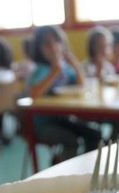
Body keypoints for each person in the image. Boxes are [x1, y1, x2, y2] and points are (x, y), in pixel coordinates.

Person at [28, 25, 102, 161]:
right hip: (43, 124)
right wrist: (55, 71)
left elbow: (81, 85)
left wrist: (76, 65)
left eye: (56, 41)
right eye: (47, 44)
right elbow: (34, 95)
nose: (53, 47)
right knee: (70, 140)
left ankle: (86, 167)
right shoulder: (40, 70)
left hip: (64, 119)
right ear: (39, 48)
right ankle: (62, 172)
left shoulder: (66, 69)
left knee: (94, 134)